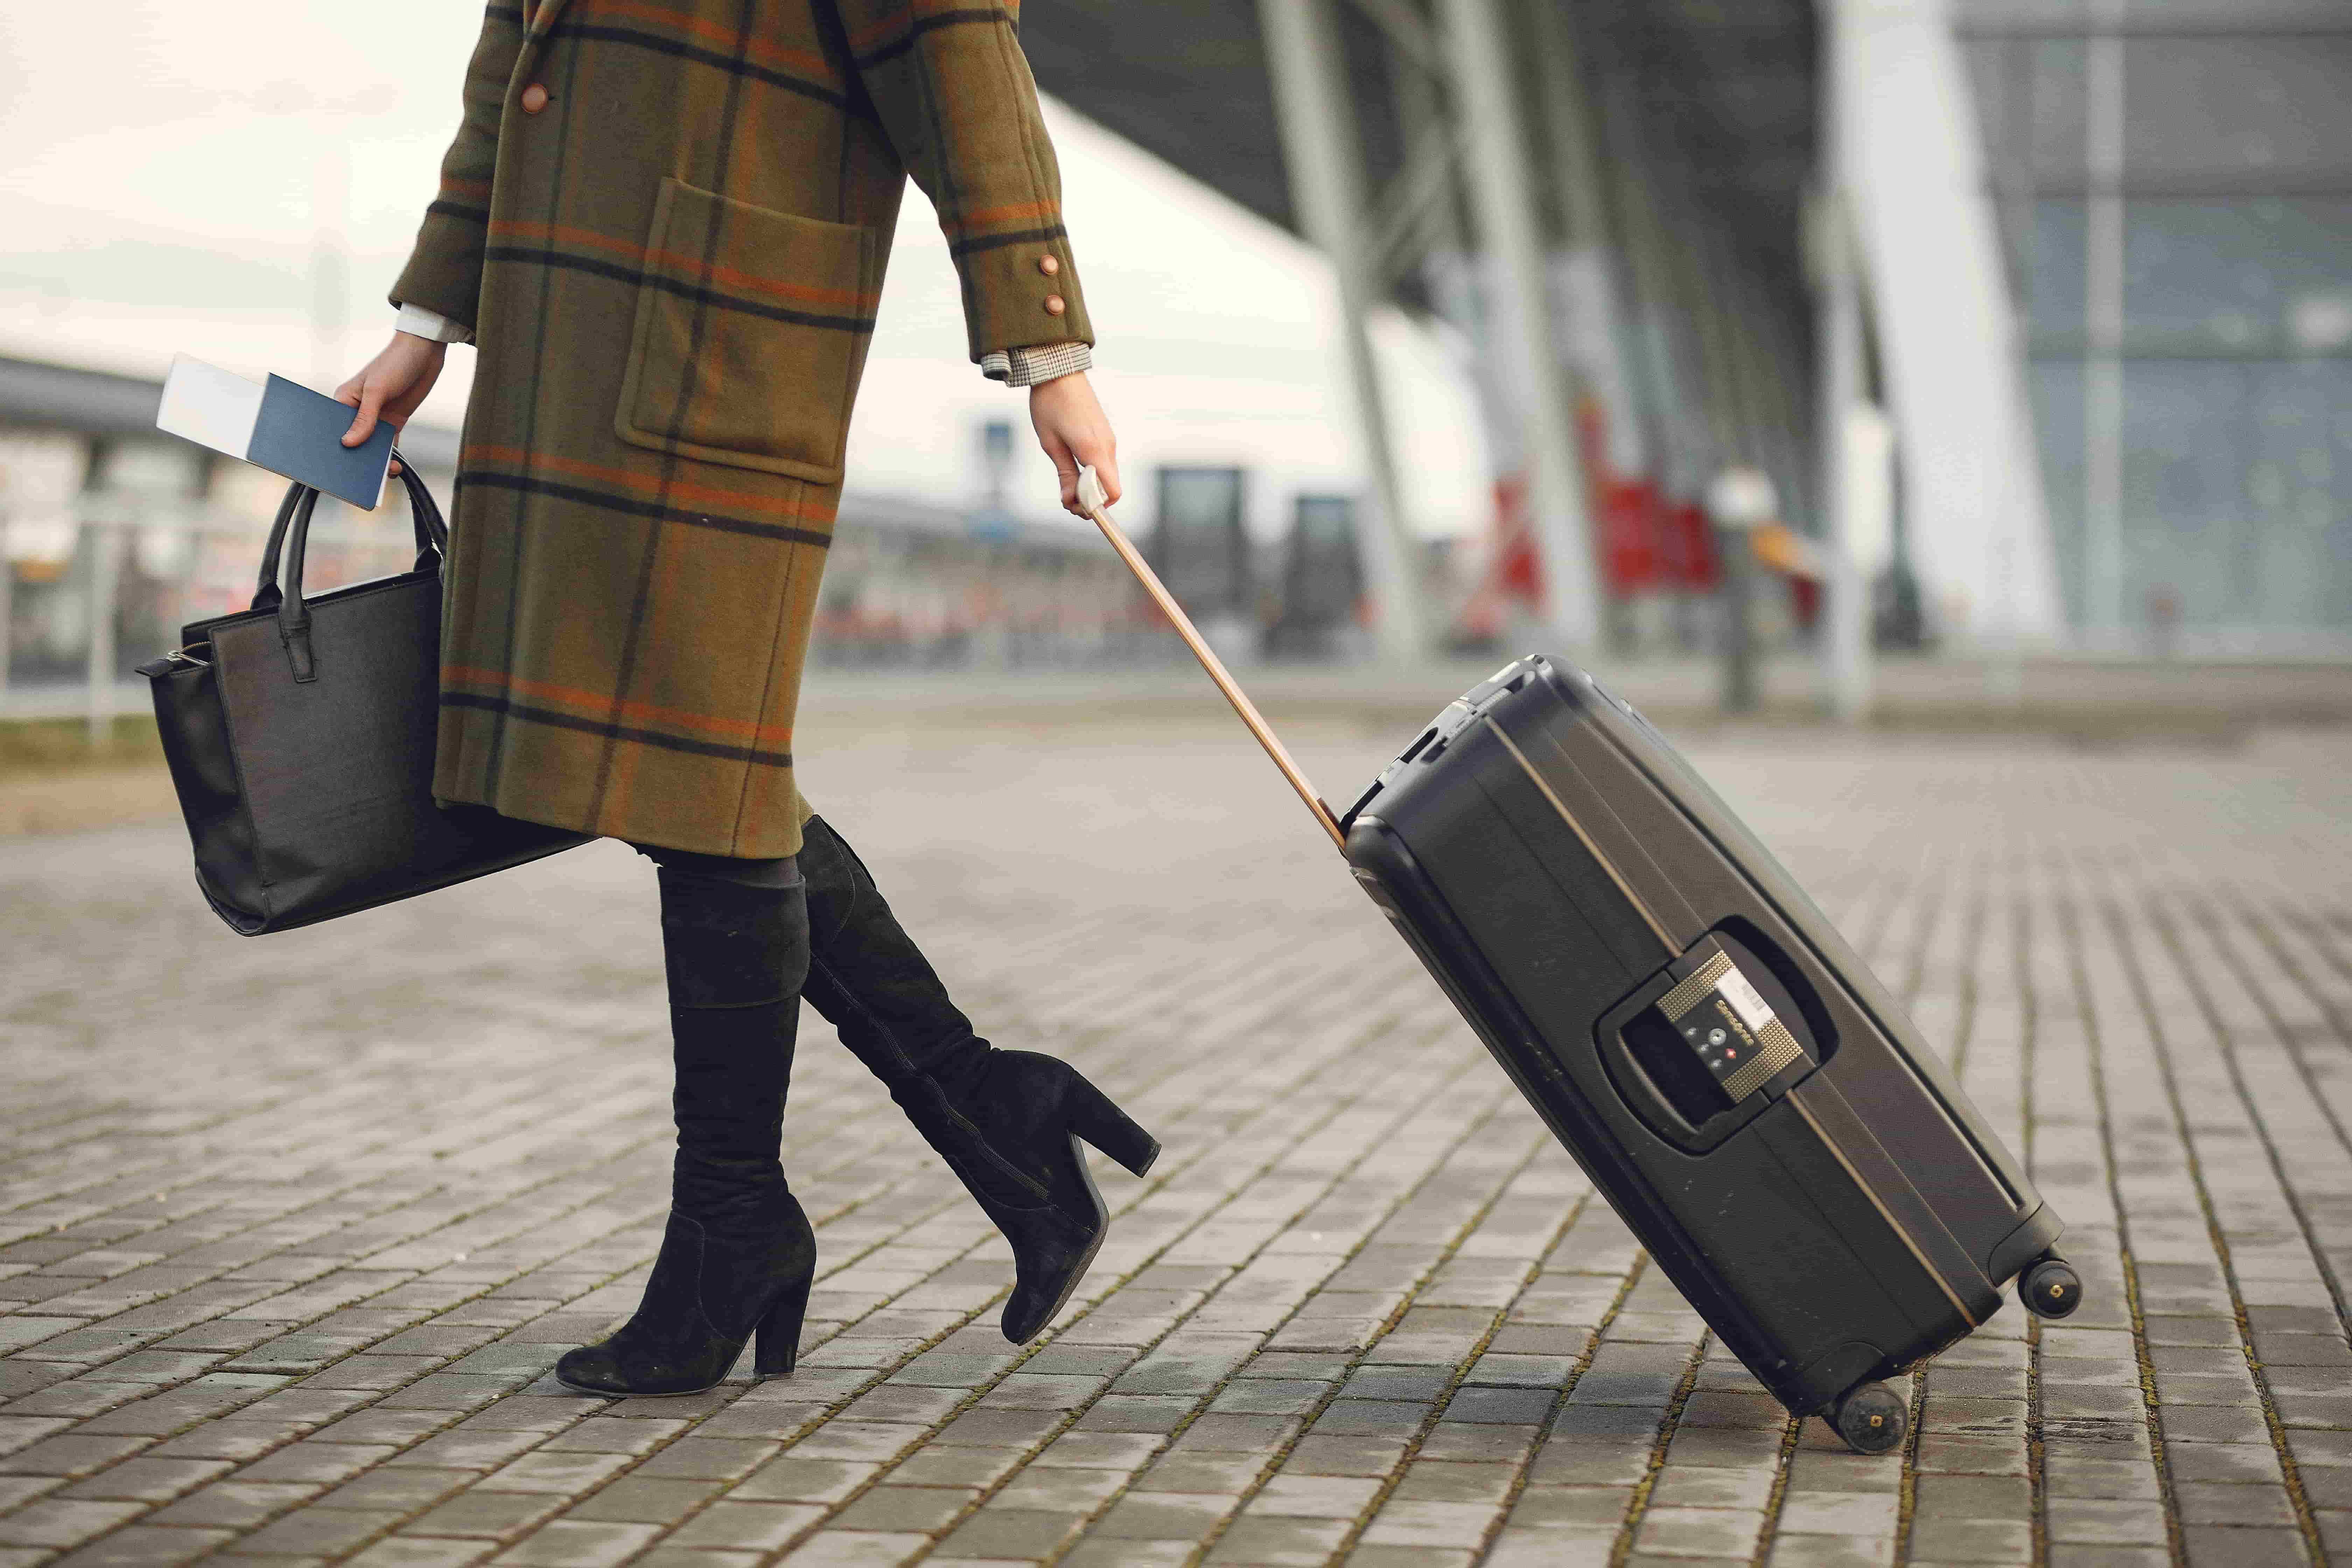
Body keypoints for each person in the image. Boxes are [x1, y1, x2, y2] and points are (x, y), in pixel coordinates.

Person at [335, 0, 1158, 1397]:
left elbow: (958, 49)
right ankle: (985, 1121)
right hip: (561, 349)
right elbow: (510, 68)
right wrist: (427, 320)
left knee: (702, 779)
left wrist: (1053, 353)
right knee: (699, 777)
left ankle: (743, 1221)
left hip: (723, 335)